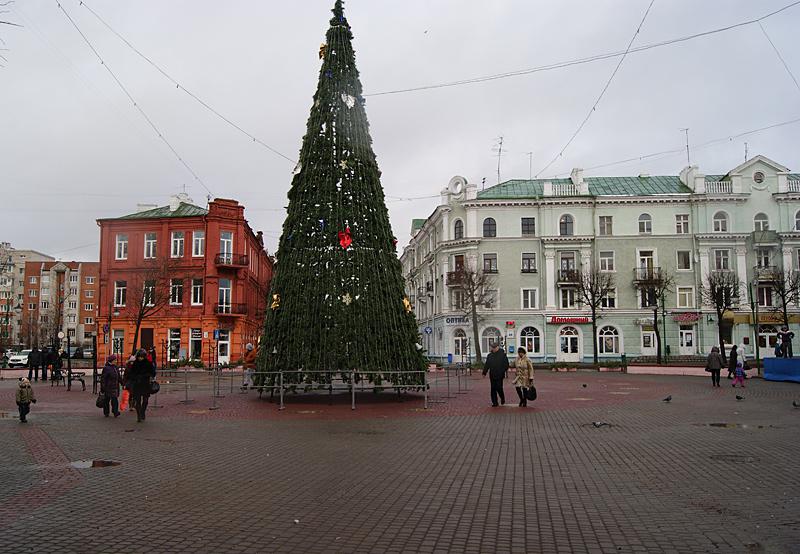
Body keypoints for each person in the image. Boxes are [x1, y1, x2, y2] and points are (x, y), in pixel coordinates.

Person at [126, 349, 156, 422]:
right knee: (137, 401)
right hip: (137, 384)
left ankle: (142, 412)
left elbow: (153, 373)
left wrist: (146, 376)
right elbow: (131, 374)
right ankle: (139, 415)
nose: (140, 358)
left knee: (145, 400)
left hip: (145, 384)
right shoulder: (135, 364)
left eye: (142, 357)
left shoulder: (148, 363)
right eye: (139, 357)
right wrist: (135, 377)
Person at [482, 342, 509, 407]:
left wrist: (502, 371)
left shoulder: (502, 355)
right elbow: (487, 365)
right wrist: (484, 372)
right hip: (492, 374)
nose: (493, 349)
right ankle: (495, 402)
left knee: (499, 387)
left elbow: (506, 364)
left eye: (495, 347)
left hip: (500, 375)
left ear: (498, 347)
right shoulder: (490, 355)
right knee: (493, 388)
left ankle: (502, 397)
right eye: (492, 347)